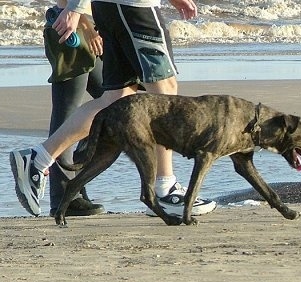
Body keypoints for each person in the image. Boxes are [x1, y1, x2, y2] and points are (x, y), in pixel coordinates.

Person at [10, 0, 216, 217]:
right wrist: (75, 8)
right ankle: (165, 188)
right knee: (164, 91)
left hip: (112, 8)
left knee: (117, 97)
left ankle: (39, 157)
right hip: (134, 8)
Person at [44, 0, 105, 217]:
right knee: (67, 114)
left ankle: (74, 186)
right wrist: (87, 27)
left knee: (110, 102)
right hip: (72, 30)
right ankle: (63, 197)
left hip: (83, 27)